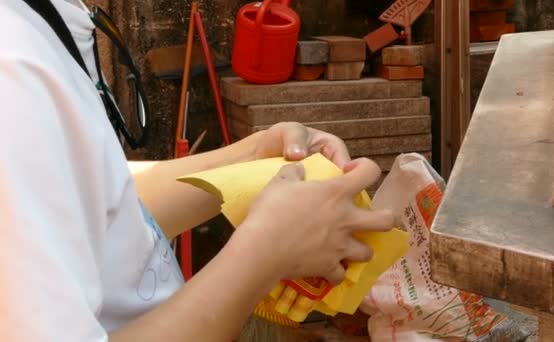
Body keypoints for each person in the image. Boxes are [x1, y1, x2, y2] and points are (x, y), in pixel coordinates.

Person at [0, 0, 393, 341]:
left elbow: (98, 203)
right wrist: (266, 251)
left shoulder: (41, 23)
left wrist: (256, 157)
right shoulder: (13, 69)